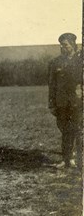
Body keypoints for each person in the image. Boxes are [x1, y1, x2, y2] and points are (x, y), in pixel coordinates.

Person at [48, 32, 83, 170]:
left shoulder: (80, 61)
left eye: (66, 44)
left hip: (77, 101)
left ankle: (75, 159)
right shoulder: (56, 62)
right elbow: (52, 84)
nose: (63, 47)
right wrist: (51, 103)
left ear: (73, 45)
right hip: (61, 102)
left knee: (76, 129)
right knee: (64, 129)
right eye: (61, 45)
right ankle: (65, 159)